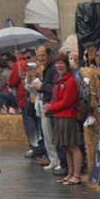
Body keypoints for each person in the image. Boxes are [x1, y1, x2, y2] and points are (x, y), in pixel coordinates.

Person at [45, 54, 83, 186]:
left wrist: (51, 107)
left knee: (73, 146)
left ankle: (77, 175)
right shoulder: (58, 79)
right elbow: (55, 97)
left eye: (61, 63)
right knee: (67, 147)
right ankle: (70, 173)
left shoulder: (70, 81)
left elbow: (67, 101)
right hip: (59, 116)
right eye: (56, 63)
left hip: (68, 116)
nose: (58, 66)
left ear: (66, 65)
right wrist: (50, 105)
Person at [31, 45, 65, 175]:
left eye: (42, 55)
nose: (40, 58)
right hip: (46, 106)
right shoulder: (46, 69)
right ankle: (54, 160)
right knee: (48, 136)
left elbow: (54, 88)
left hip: (51, 107)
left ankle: (58, 161)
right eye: (39, 56)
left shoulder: (52, 70)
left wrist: (42, 85)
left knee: (53, 136)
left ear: (50, 55)